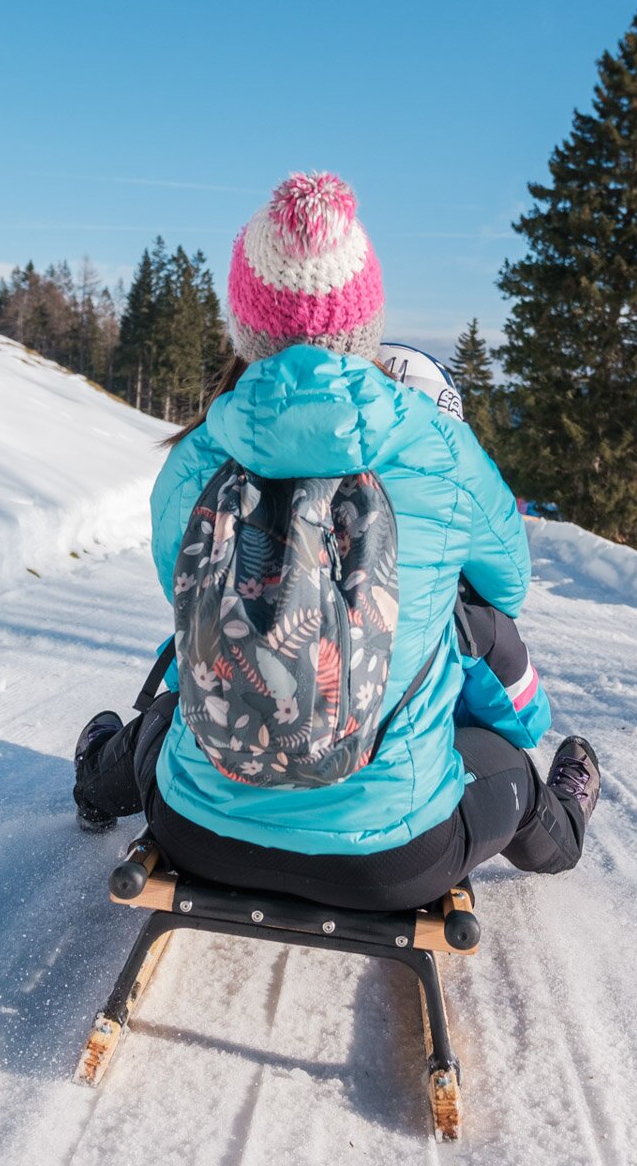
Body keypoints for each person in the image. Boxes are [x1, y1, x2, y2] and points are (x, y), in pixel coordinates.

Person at [72, 171, 599, 913]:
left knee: (171, 709)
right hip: (391, 857)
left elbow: (183, 593)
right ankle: (565, 826)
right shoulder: (441, 451)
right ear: (365, 322)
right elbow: (504, 590)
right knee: (504, 760)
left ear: (246, 325)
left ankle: (97, 774)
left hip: (199, 829)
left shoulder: (197, 457)